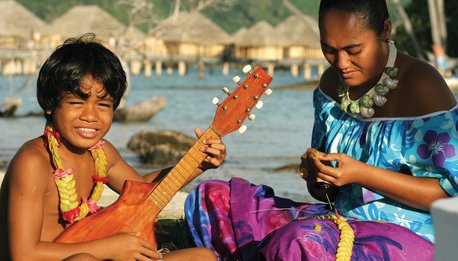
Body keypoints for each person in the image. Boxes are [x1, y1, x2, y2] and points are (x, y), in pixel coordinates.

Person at [184, 0, 458, 260]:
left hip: (413, 236)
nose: (340, 63)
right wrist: (318, 176)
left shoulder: (422, 86)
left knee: (298, 242)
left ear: (385, 30)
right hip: (337, 223)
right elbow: (324, 194)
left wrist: (361, 174)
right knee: (215, 198)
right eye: (329, 49)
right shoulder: (331, 85)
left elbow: (450, 195)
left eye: (353, 50)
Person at [0, 34, 226, 261]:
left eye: (103, 104)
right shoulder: (33, 162)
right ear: (50, 103)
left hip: (96, 255)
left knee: (202, 256)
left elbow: (142, 192)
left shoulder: (101, 152)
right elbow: (23, 255)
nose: (90, 116)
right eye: (77, 103)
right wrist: (110, 248)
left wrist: (199, 163)